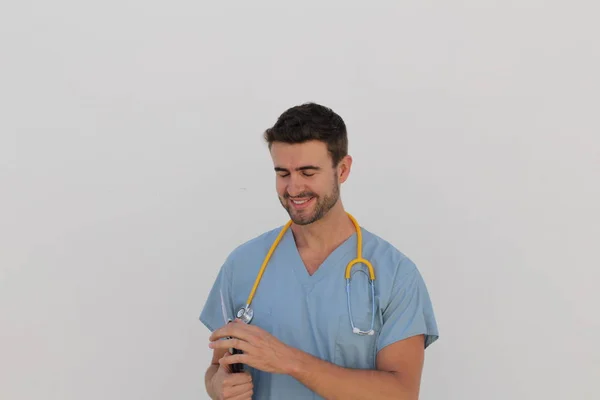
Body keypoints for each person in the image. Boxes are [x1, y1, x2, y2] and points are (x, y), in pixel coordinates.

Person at [199, 102, 439, 399]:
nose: (293, 188)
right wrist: (218, 385)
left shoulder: (395, 274)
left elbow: (401, 393)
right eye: (282, 173)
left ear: (343, 169)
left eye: (308, 172)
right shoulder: (243, 264)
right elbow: (217, 368)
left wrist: (289, 360)